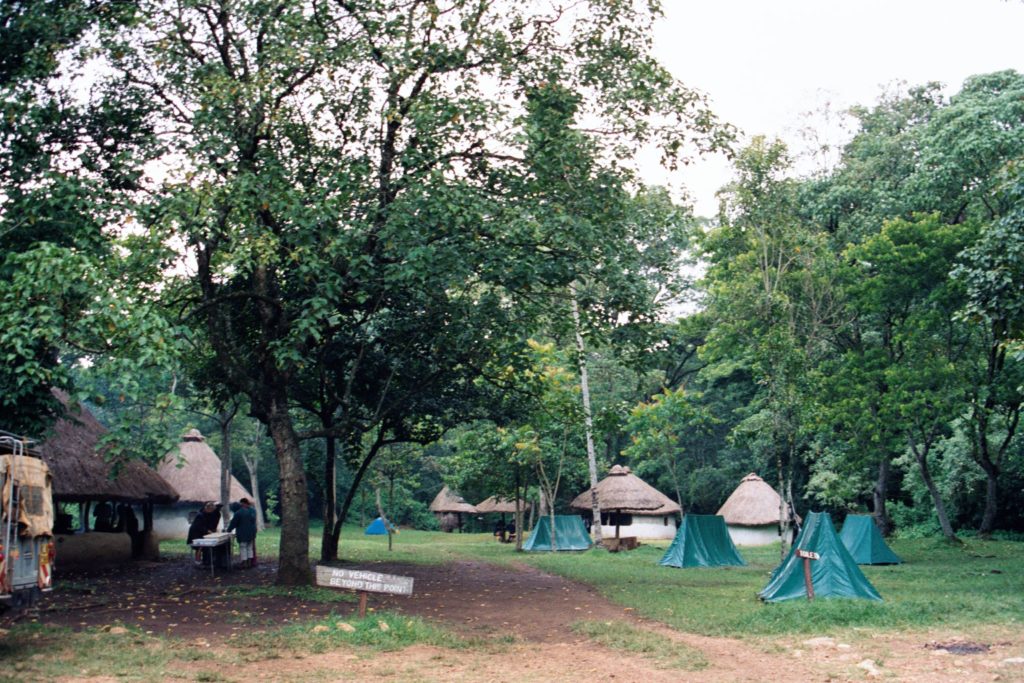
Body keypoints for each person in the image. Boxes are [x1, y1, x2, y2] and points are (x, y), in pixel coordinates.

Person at [227, 497, 258, 569]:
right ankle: (249, 562)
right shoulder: (251, 511)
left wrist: (228, 530)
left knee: (243, 547)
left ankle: (244, 563)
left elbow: (233, 524)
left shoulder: (238, 513)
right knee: (249, 547)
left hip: (242, 533)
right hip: (251, 533)